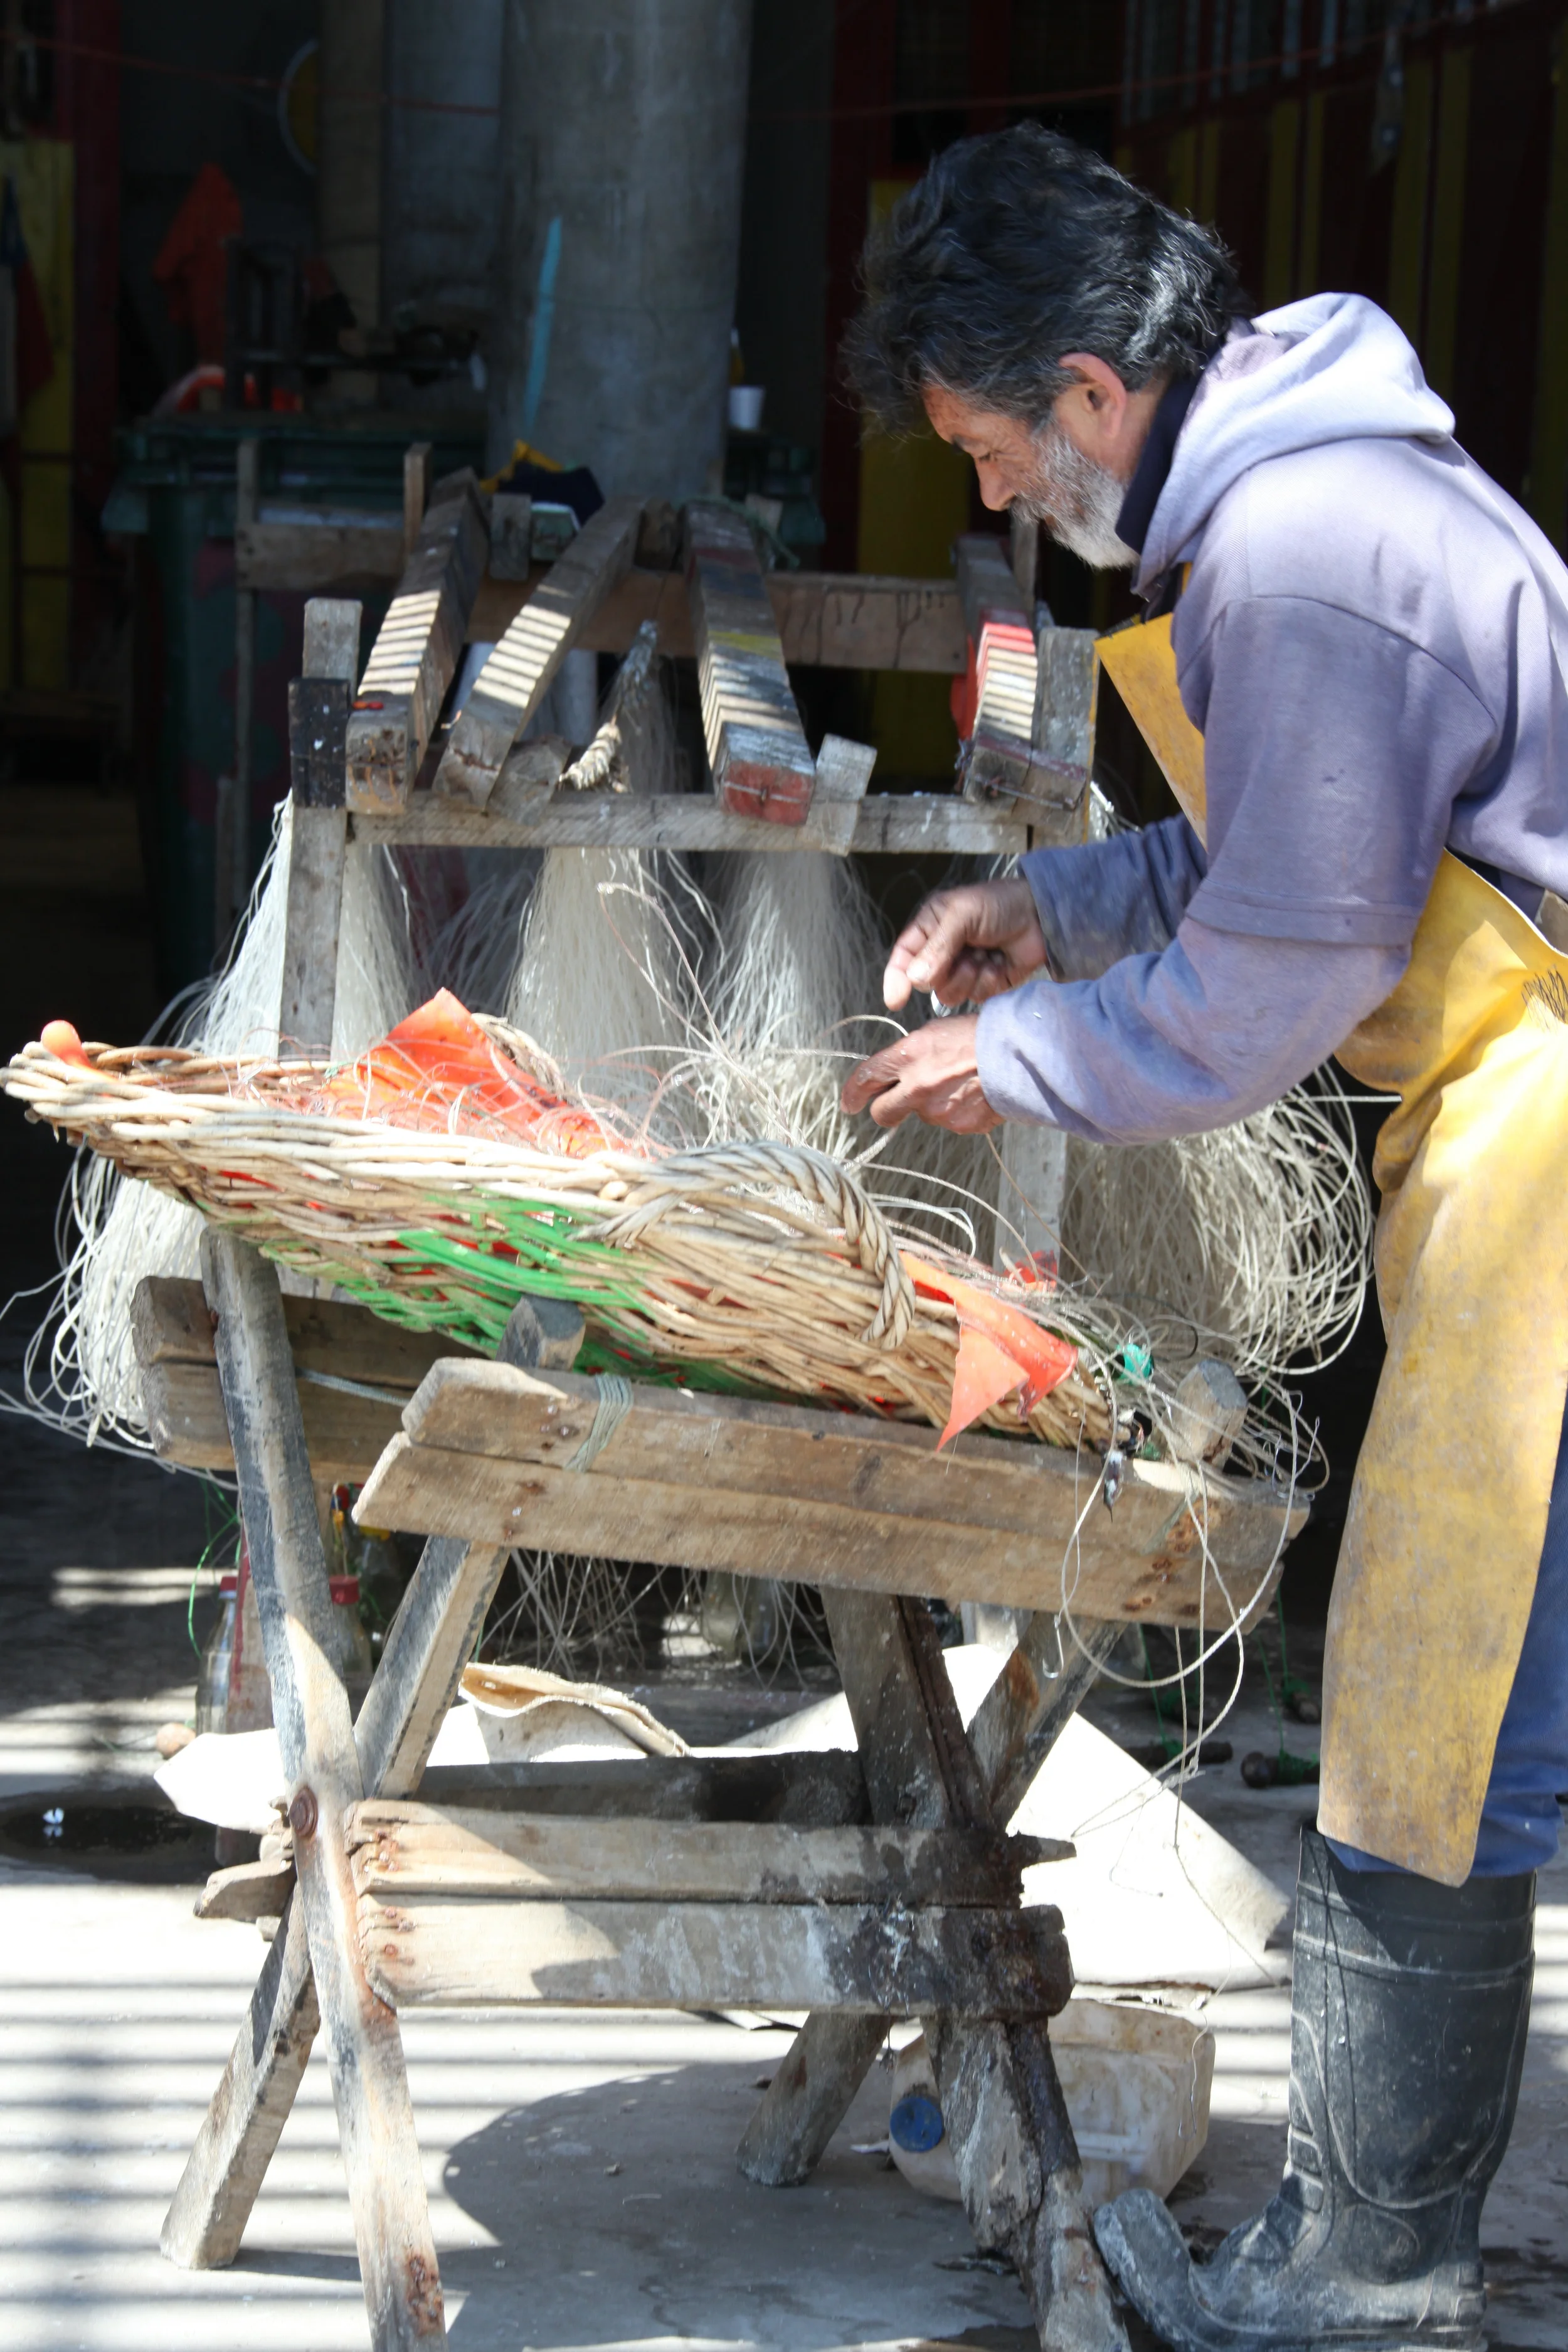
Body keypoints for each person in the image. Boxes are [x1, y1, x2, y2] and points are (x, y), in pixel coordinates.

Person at [839, 125, 1568, 2352]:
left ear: (1082, 386)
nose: (988, 501)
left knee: (1452, 1710)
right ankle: (1380, 2244)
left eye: (983, 449)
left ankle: (1374, 2268)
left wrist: (1021, 1059)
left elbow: (1276, 965)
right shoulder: (1298, 502)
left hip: (1543, 1129)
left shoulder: (1311, 550)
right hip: (1500, 1115)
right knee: (1463, 1695)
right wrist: (1040, 909)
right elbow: (1265, 865)